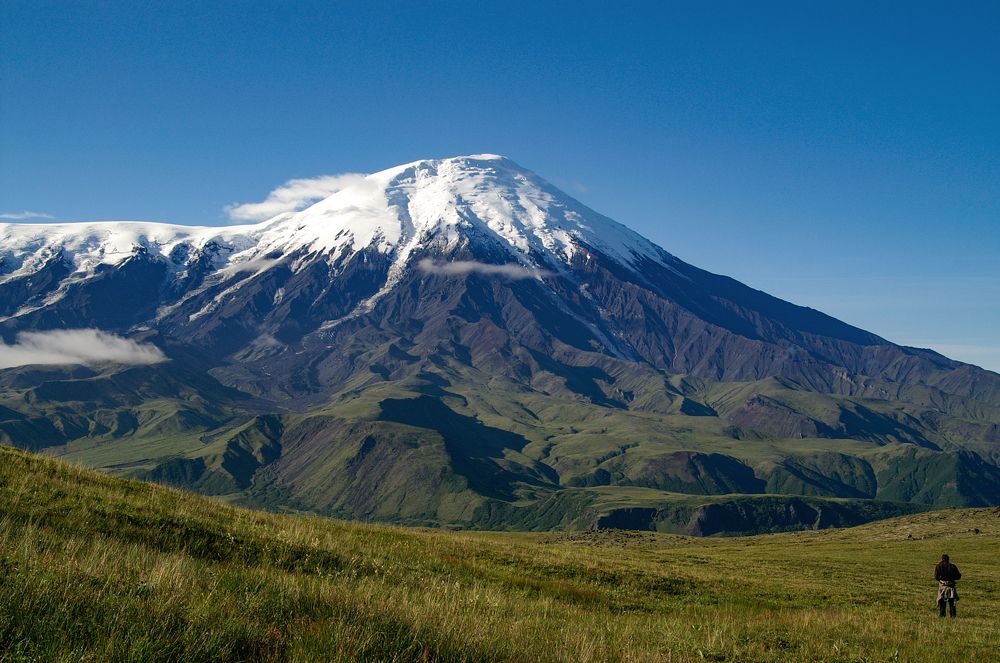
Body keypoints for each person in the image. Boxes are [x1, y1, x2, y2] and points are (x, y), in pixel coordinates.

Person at [935, 553, 961, 618]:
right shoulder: (952, 566)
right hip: (951, 586)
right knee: (952, 603)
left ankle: (942, 615)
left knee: (942, 602)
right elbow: (958, 576)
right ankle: (953, 616)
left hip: (942, 586)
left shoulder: (938, 566)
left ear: (942, 559)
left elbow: (936, 577)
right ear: (948, 559)